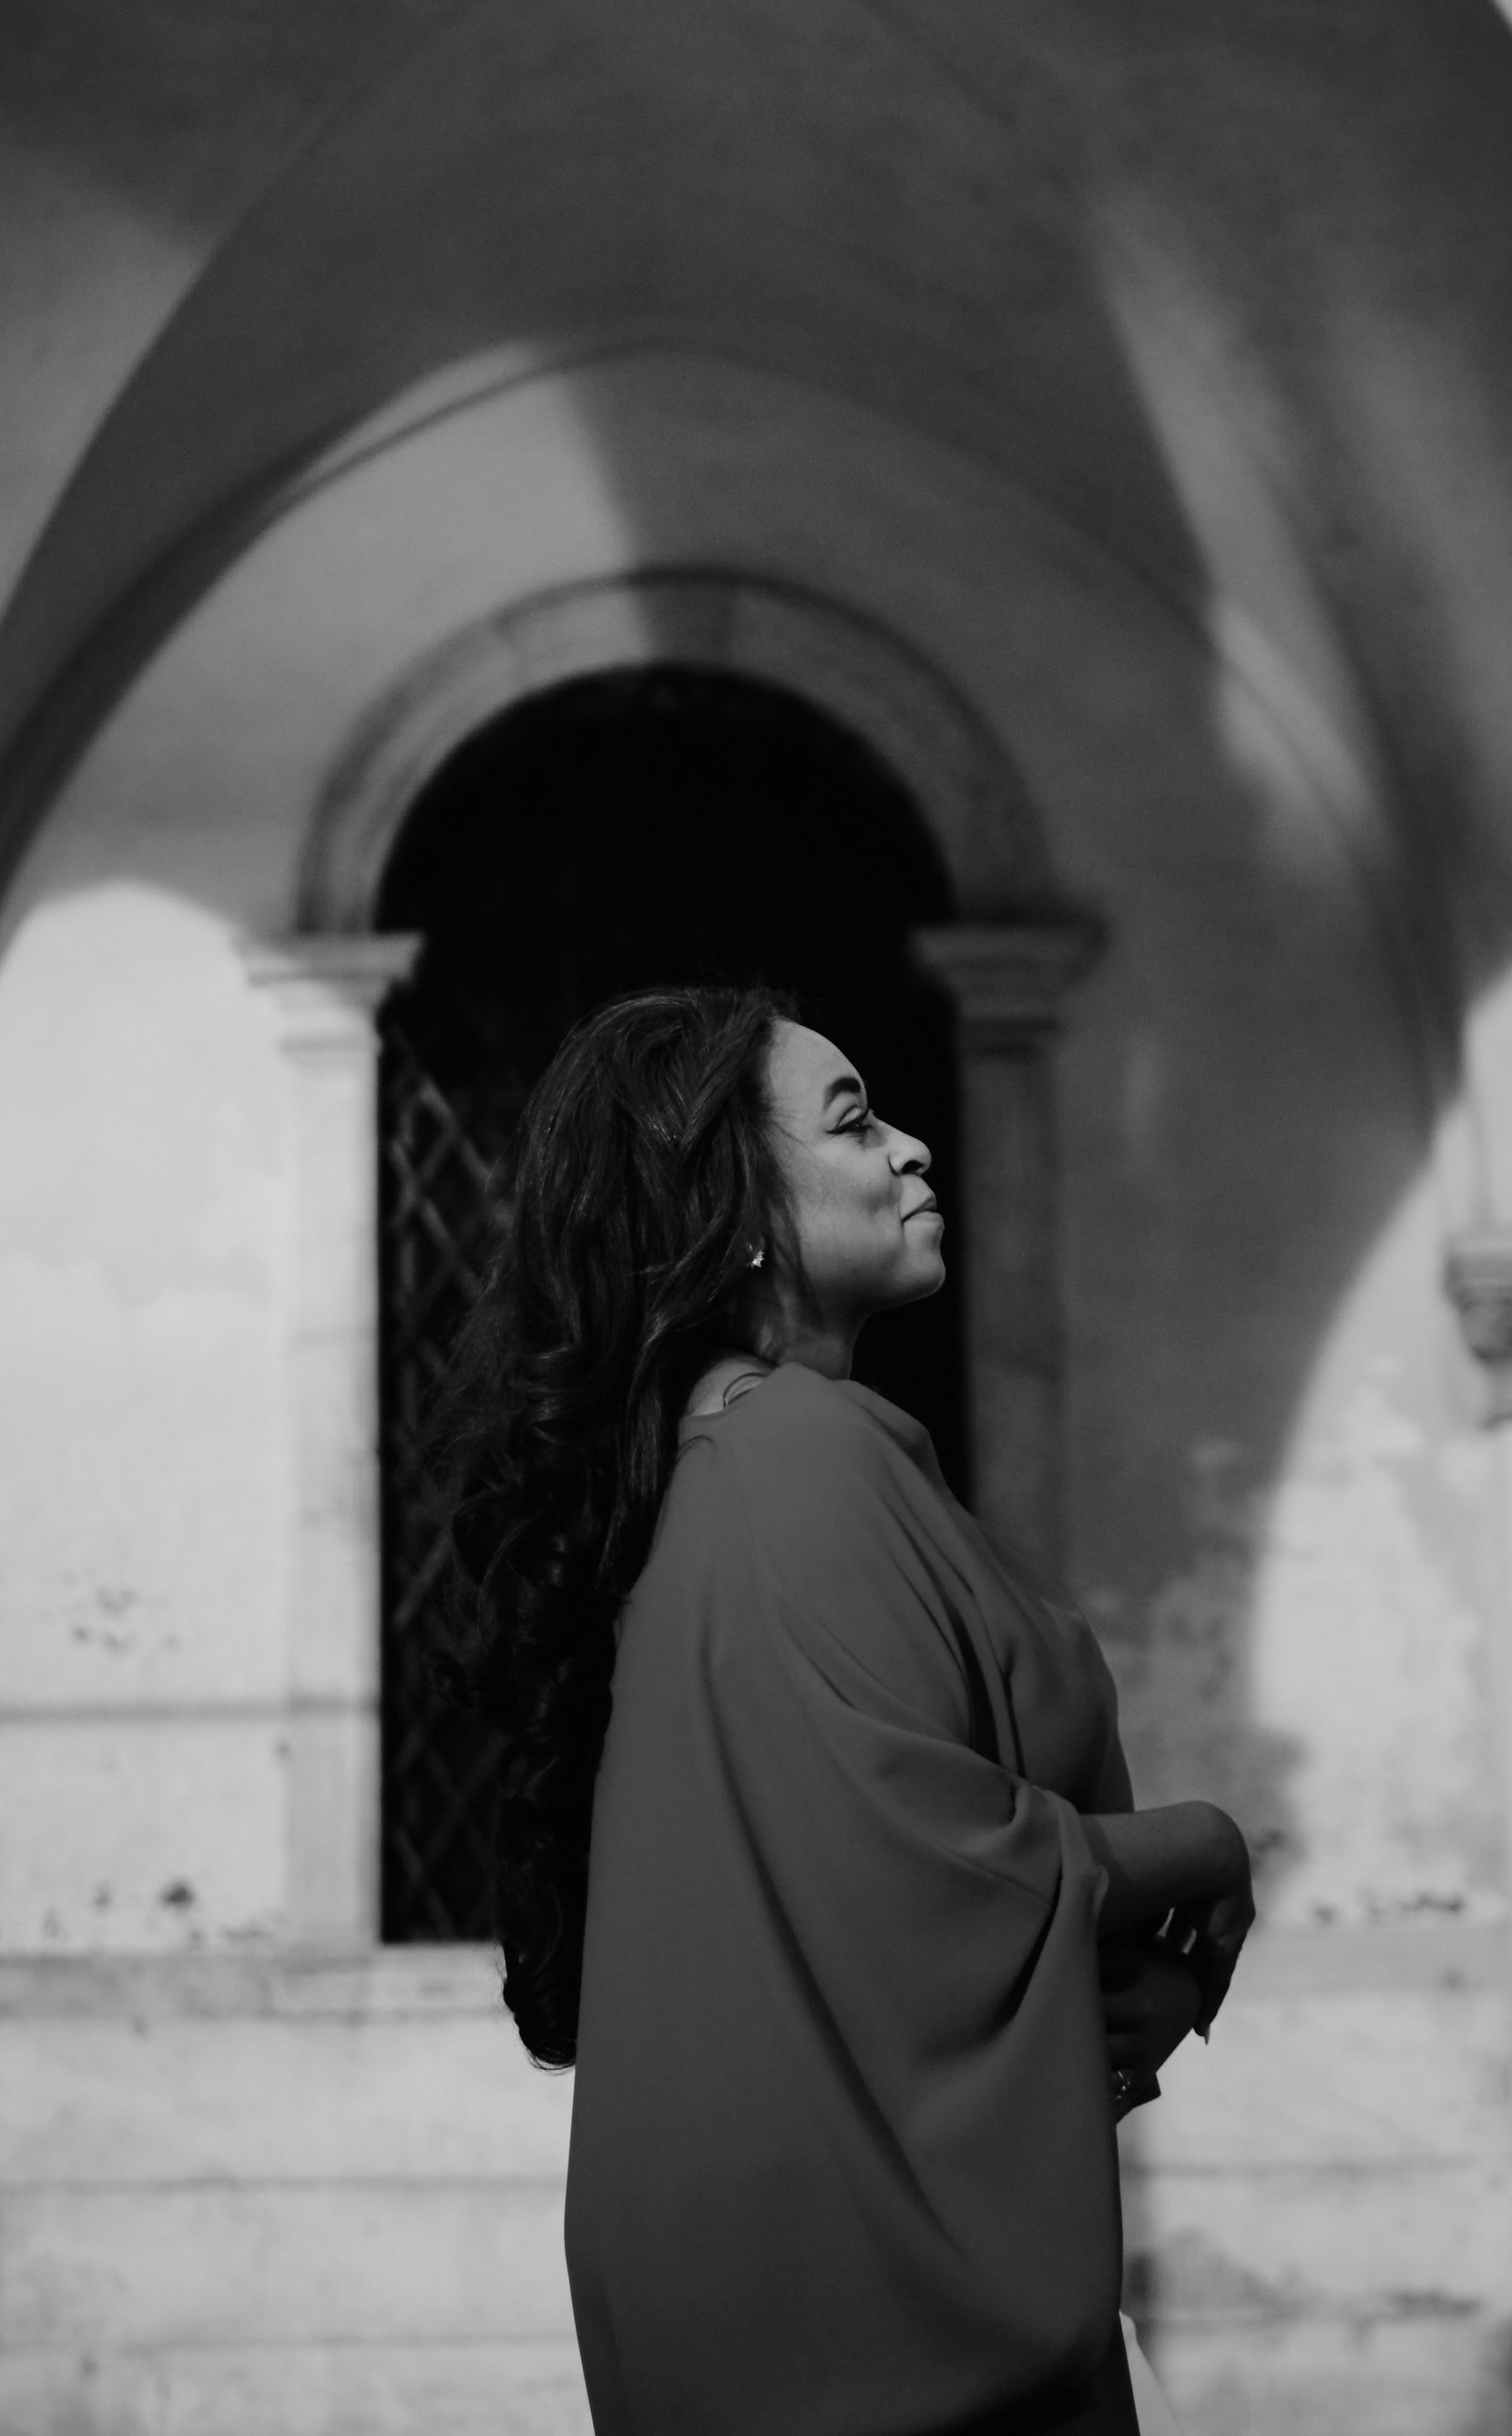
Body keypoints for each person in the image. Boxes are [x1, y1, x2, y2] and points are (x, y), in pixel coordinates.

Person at [438, 982, 1252, 2436]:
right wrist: (1204, 1847)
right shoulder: (801, 1458)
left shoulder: (728, 1470)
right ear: (733, 1199)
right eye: (854, 1116)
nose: (916, 1146)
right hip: (877, 2335)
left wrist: (1147, 1975)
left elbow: (897, 1925)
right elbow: (935, 1866)